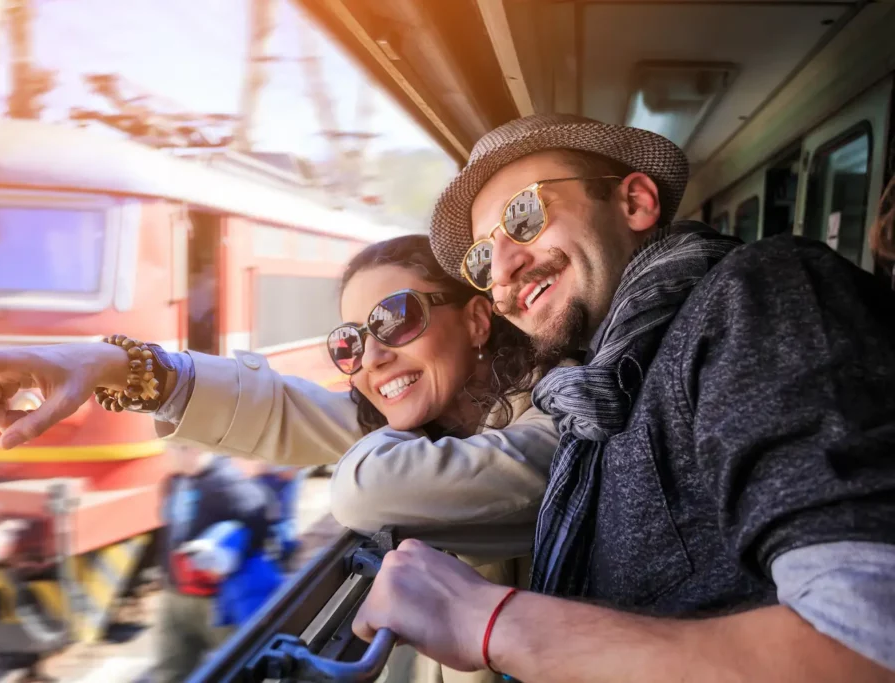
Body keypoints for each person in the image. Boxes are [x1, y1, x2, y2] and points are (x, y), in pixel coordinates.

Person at [342, 114, 895, 681]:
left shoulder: (759, 297)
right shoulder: (600, 388)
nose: (502, 269)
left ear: (635, 203)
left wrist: (488, 621)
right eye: (482, 259)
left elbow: (867, 647)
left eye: (524, 216)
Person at [0, 235, 564, 683]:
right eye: (350, 343)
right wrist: (113, 362)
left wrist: (357, 434)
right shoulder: (447, 423)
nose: (370, 357)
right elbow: (276, 406)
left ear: (478, 321)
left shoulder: (559, 424)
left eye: (396, 318)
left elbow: (361, 477)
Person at [154, 446, 279, 683]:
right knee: (171, 670)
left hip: (215, 600)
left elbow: (261, 522)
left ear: (191, 449)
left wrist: (229, 560)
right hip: (175, 595)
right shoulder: (174, 482)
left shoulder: (227, 483)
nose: (167, 454)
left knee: (235, 667)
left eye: (172, 449)